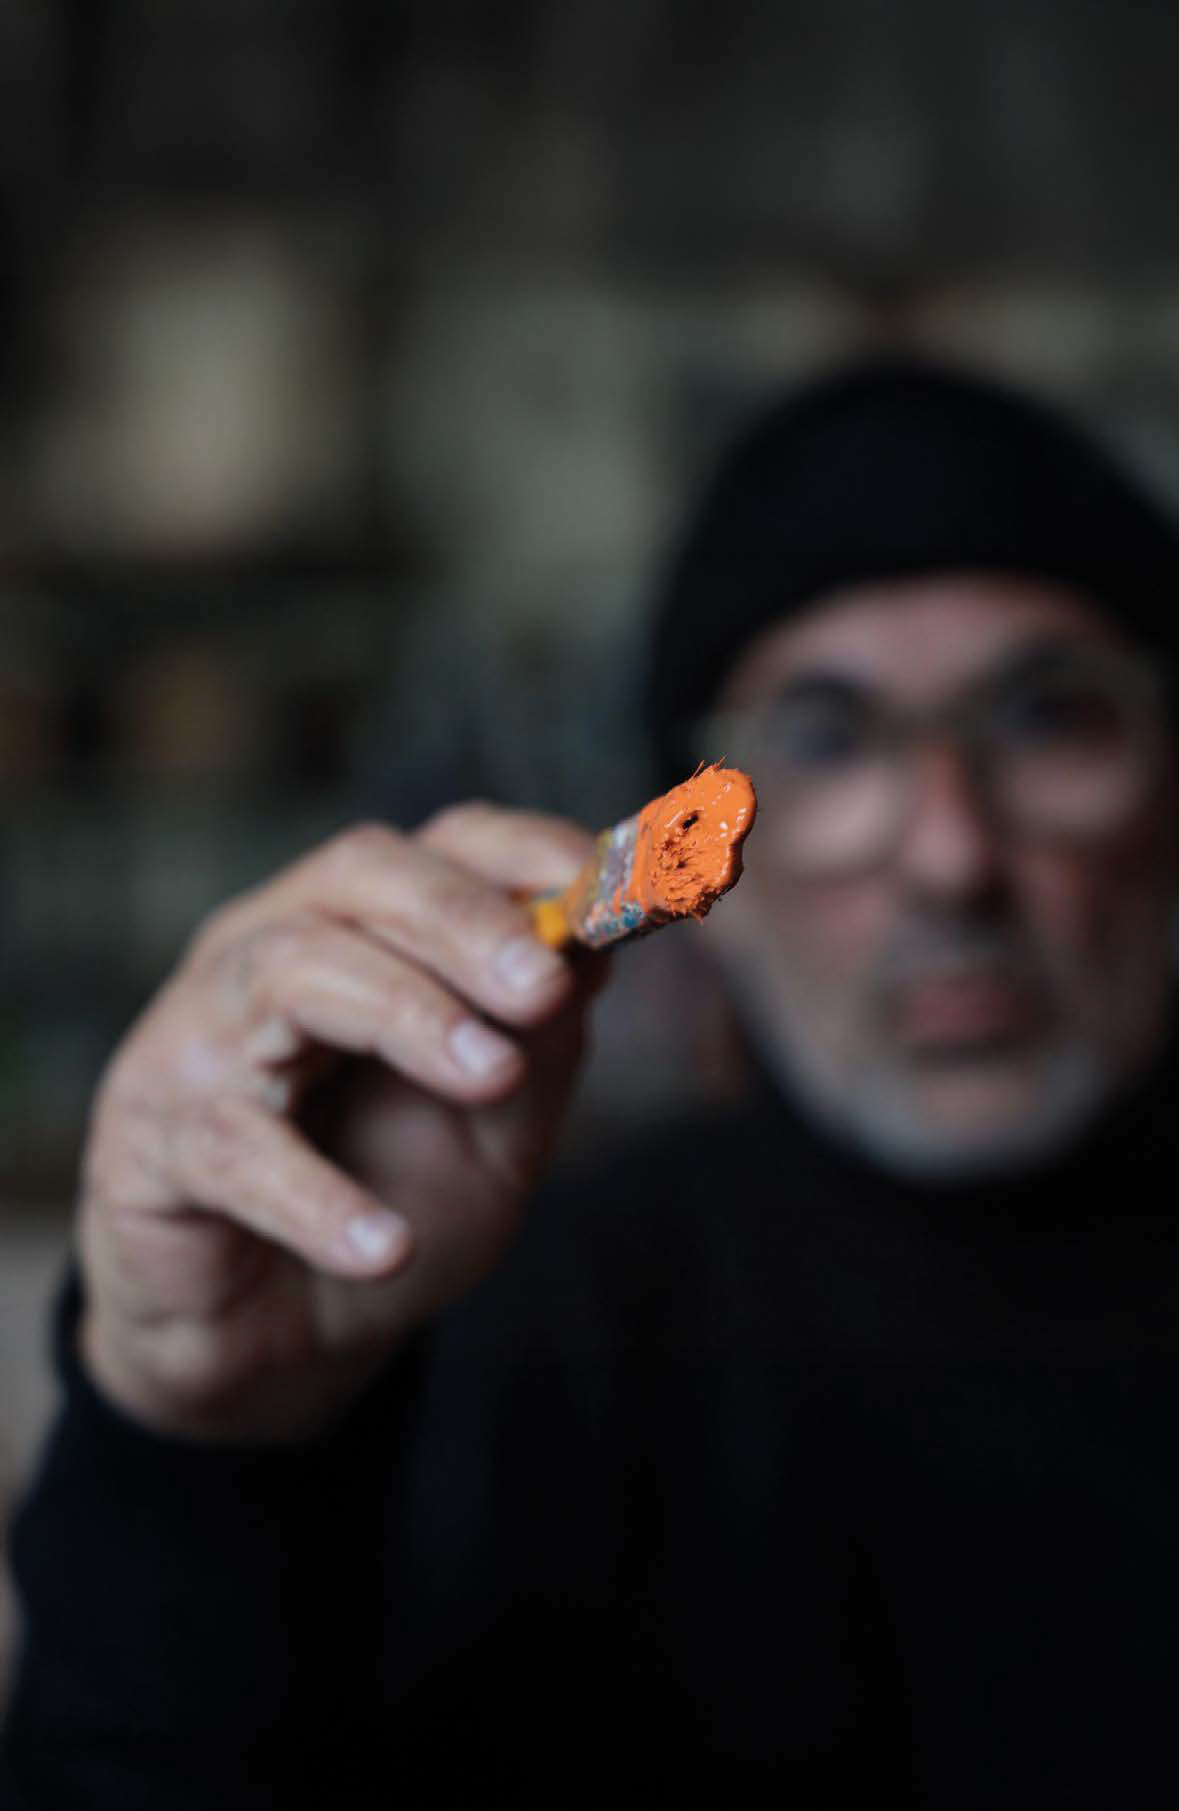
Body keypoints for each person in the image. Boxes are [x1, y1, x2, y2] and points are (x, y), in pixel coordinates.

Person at [3, 358, 1179, 1810]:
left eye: (1049, 718)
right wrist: (201, 1447)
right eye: (824, 739)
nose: (952, 857)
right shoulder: (498, 1325)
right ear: (709, 882)